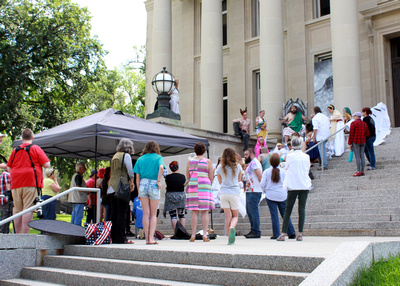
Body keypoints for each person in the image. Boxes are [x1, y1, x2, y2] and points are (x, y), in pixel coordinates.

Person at [7, 128, 50, 233]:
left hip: (16, 182)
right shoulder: (35, 148)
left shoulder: (15, 150)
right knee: (28, 208)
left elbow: (9, 168)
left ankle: (17, 235)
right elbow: (47, 164)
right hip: (30, 181)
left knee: (17, 209)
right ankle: (25, 236)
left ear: (22, 138)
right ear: (32, 137)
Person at [277, 137, 311, 241]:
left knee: (288, 209)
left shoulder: (289, 156)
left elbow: (286, 167)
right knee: (302, 208)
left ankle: (283, 233)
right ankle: (300, 233)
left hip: (293, 184)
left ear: (292, 145)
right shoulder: (306, 156)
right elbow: (307, 169)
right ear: (300, 145)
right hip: (304, 184)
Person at [133, 140, 164, 245]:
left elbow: (137, 177)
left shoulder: (140, 159)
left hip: (143, 184)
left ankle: (146, 238)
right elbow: (161, 167)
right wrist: (158, 180)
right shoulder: (158, 157)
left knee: (145, 214)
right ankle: (151, 238)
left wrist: (139, 190)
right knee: (153, 214)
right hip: (154, 184)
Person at [261, 153, 296, 240]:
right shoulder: (283, 171)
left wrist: (265, 191)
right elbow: (287, 182)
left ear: (270, 162)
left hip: (270, 195)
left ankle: (276, 233)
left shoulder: (266, 172)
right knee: (285, 214)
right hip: (282, 195)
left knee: (274, 215)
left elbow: (262, 184)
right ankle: (291, 232)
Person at [186, 142, 215, 242]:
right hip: (205, 186)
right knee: (205, 211)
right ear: (204, 151)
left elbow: (188, 176)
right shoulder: (207, 161)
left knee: (194, 211)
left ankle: (193, 234)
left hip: (193, 186)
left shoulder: (190, 161)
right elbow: (211, 177)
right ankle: (205, 235)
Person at [109, 138, 135, 244]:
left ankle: (113, 236)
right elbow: (130, 171)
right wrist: (132, 183)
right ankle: (121, 238)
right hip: (122, 186)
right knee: (122, 213)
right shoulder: (126, 156)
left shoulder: (114, 156)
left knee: (113, 213)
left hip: (111, 186)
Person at [216, 147, 243, 245]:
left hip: (224, 192)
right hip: (234, 192)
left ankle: (229, 239)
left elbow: (219, 181)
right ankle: (232, 227)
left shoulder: (220, 167)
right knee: (235, 216)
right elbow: (239, 179)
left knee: (227, 216)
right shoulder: (238, 166)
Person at [243, 148, 262, 238]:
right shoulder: (252, 163)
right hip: (250, 190)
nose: (245, 156)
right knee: (250, 210)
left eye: (246, 155)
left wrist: (259, 187)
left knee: (253, 211)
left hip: (254, 190)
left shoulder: (254, 163)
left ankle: (256, 231)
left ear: (251, 154)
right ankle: (253, 229)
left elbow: (259, 176)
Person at [164, 161, 186, 232]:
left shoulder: (167, 177)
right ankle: (183, 232)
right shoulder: (182, 176)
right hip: (181, 196)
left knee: (173, 215)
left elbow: (167, 185)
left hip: (170, 196)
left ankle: (176, 233)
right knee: (181, 215)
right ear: (178, 167)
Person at [348, 112, 370, 177]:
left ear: (357, 116)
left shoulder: (353, 123)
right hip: (363, 141)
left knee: (357, 156)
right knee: (362, 156)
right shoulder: (364, 124)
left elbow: (351, 134)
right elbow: (367, 133)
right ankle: (362, 171)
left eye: (354, 116)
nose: (353, 117)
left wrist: (349, 143)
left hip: (355, 141)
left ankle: (358, 170)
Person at [312, 106, 331, 170]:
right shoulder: (325, 116)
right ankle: (323, 164)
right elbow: (329, 126)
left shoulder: (315, 118)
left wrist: (314, 137)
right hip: (326, 135)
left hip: (320, 136)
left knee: (322, 151)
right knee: (323, 150)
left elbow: (315, 129)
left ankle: (324, 165)